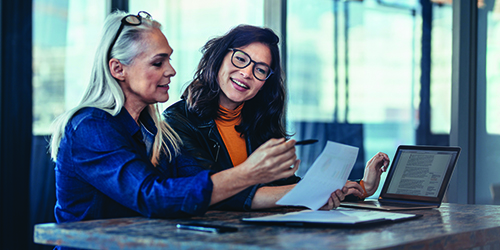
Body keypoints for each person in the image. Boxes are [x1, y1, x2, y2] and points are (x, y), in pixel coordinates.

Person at [49, 11, 345, 225]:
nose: (171, 71)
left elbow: (189, 188)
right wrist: (249, 173)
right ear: (118, 69)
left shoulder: (153, 128)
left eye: (169, 59)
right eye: (158, 62)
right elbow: (154, 197)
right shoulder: (91, 127)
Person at [163, 24, 390, 208]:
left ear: (265, 83)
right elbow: (216, 192)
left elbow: (285, 187)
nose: (246, 73)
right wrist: (312, 192)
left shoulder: (260, 122)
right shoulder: (177, 121)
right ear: (219, 57)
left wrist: (361, 187)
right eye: (241, 59)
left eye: (260, 69)